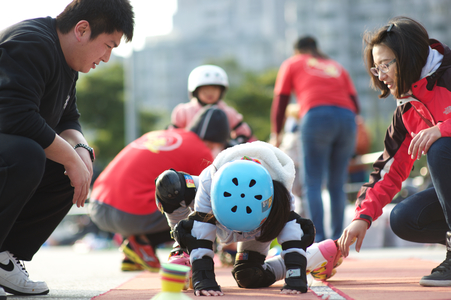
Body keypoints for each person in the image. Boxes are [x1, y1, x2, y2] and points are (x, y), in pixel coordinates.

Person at [0, 0, 134, 297]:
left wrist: (81, 152)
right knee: (28, 155)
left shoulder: (67, 61)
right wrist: (71, 159)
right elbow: (13, 115)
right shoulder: (32, 42)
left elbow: (67, 118)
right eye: (108, 45)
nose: (108, 57)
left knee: (70, 165)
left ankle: (4, 257)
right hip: (11, 148)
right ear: (82, 30)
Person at [338, 16, 451, 287]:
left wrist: (443, 128)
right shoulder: (407, 109)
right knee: (404, 219)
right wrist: (361, 218)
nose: (381, 75)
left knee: (440, 147)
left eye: (385, 65)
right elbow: (388, 170)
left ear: (408, 55)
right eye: (376, 69)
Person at [156, 141, 343, 297]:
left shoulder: (280, 194)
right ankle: (182, 250)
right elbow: (201, 230)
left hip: (259, 229)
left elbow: (292, 237)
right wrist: (202, 277)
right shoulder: (209, 182)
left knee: (248, 276)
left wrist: (296, 276)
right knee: (171, 184)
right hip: (212, 214)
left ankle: (314, 256)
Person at [89, 106, 230, 272]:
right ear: (218, 142)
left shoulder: (159, 134)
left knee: (169, 190)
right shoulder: (201, 150)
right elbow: (211, 198)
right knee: (199, 207)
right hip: (129, 214)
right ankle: (142, 242)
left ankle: (132, 252)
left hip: (97, 206)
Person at [271, 36, 360, 242]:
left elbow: (282, 100)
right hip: (347, 119)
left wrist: (277, 133)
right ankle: (339, 239)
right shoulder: (335, 66)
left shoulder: (293, 62)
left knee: (312, 182)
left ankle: (319, 239)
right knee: (337, 184)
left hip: (316, 117)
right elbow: (355, 104)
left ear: (297, 50)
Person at [171, 64, 255, 145]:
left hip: (219, 155)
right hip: (192, 154)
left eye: (214, 89)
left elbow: (244, 131)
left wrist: (234, 144)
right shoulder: (184, 111)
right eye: (205, 89)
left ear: (221, 91)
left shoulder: (228, 111)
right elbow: (173, 134)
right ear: (196, 91)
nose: (210, 93)